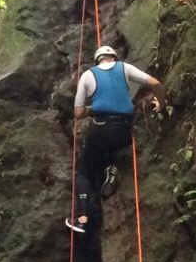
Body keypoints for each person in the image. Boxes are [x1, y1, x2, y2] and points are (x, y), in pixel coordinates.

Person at [66, 44, 165, 233]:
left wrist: (93, 109)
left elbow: (78, 113)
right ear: (113, 58)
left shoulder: (87, 75)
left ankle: (82, 218)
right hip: (124, 131)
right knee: (111, 148)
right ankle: (110, 167)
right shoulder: (124, 67)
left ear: (97, 60)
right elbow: (155, 84)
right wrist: (162, 104)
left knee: (84, 172)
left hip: (101, 128)